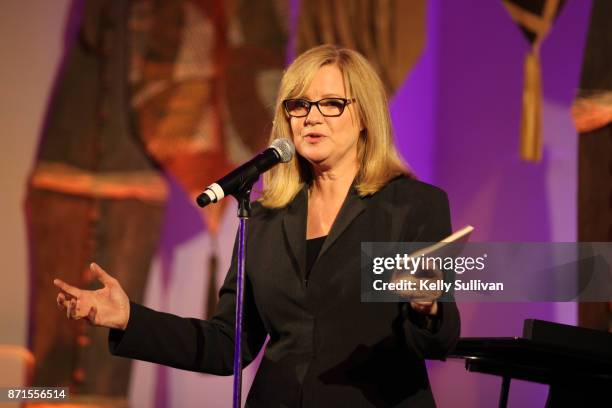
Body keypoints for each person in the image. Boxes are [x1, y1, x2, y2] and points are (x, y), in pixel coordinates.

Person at [55, 44, 460, 407]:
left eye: (331, 103)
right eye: (298, 105)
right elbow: (225, 344)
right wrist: (130, 319)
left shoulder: (411, 205)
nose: (311, 117)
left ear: (364, 117)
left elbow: (438, 340)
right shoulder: (265, 216)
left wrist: (428, 307)